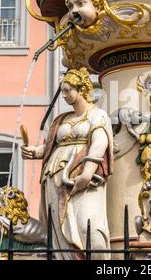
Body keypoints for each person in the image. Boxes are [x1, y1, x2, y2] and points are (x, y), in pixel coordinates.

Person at [22, 67, 113, 260]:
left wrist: (87, 173)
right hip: (55, 177)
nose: (63, 95)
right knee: (59, 230)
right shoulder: (62, 119)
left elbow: (99, 144)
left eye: (67, 90)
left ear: (81, 90)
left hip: (81, 175)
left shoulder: (97, 115)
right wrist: (35, 152)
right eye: (62, 90)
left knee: (88, 225)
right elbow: (52, 147)